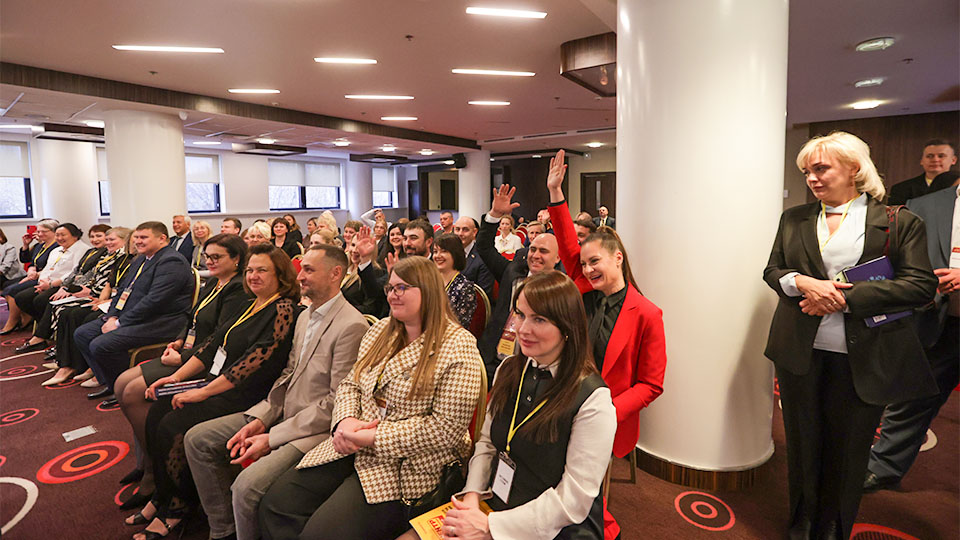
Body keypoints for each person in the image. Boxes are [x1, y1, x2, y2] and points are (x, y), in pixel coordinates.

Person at [763, 131, 938, 540]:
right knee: (802, 444)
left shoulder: (898, 221)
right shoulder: (794, 218)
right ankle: (802, 524)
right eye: (807, 171)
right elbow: (773, 270)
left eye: (821, 168)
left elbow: (920, 286)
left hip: (863, 355)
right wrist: (802, 282)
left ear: (854, 168)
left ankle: (833, 528)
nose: (812, 178)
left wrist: (843, 298)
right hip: (800, 350)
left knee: (848, 449)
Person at [258, 256, 484, 540]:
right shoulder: (381, 330)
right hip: (353, 442)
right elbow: (350, 384)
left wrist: (371, 436)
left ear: (428, 290)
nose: (392, 295)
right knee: (277, 504)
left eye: (402, 288)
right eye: (390, 288)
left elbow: (445, 430)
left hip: (407, 466)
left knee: (320, 534)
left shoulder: (458, 345)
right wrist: (345, 421)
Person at [184, 245, 368, 540]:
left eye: (309, 270)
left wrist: (273, 437)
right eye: (301, 269)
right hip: (282, 412)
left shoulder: (352, 325)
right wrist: (262, 417)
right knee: (198, 439)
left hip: (313, 429)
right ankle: (224, 530)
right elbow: (288, 375)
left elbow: (336, 402)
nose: (300, 276)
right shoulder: (305, 316)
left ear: (335, 274)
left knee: (246, 486)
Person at [132, 244, 300, 540]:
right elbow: (212, 346)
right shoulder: (251, 304)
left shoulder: (283, 309)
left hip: (248, 393)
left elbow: (253, 363)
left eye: (262, 270)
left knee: (174, 423)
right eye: (250, 270)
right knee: (158, 410)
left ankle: (178, 507)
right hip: (220, 383)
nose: (253, 276)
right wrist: (175, 377)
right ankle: (162, 495)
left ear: (280, 275)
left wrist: (203, 393)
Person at [546, 150, 666, 539]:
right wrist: (556, 194)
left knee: (581, 486)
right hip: (565, 394)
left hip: (607, 412)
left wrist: (608, 411)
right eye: (584, 264)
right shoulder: (583, 288)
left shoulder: (647, 313)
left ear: (618, 258)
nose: (587, 269)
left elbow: (652, 384)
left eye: (595, 261)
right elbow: (569, 244)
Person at [444, 270, 617, 539]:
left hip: (556, 528)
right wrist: (472, 497)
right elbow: (487, 443)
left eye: (539, 319)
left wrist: (490, 527)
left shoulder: (593, 400)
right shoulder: (509, 370)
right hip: (498, 506)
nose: (522, 329)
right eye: (520, 315)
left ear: (567, 326)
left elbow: (572, 502)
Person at [113, 234, 250, 508]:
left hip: (204, 363)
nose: (210, 262)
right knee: (121, 383)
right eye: (208, 257)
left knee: (133, 392)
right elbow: (191, 319)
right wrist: (177, 341)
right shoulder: (214, 282)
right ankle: (147, 462)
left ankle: (153, 472)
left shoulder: (238, 290)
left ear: (236, 259)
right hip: (185, 352)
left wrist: (183, 356)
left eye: (217, 257)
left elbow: (220, 337)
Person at [865, 173, 960, 493]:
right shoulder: (923, 206)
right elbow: (900, 261)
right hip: (939, 322)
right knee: (912, 400)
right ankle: (883, 467)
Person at [74, 221, 195, 405]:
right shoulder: (140, 259)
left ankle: (123, 388)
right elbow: (122, 291)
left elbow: (154, 301)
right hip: (133, 316)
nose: (137, 241)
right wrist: (112, 316)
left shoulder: (172, 261)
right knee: (82, 334)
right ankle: (110, 381)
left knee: (101, 345)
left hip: (160, 322)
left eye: (143, 237)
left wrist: (119, 323)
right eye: (136, 237)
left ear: (162, 238)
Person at [477, 185, 561, 381]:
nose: (536, 255)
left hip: (535, 368)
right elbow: (484, 248)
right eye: (533, 249)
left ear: (557, 258)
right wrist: (495, 215)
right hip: (494, 358)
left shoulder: (560, 289)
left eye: (543, 251)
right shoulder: (512, 272)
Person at [52, 229, 134, 387]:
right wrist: (101, 301)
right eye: (107, 239)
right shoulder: (119, 258)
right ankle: (67, 363)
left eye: (112, 239)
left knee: (81, 316)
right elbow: (109, 283)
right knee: (67, 313)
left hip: (117, 303)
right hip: (107, 299)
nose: (108, 242)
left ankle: (89, 366)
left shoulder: (135, 261)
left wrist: (105, 302)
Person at [17, 224, 109, 356]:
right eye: (92, 236)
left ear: (75, 236)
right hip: (64, 284)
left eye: (99, 236)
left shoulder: (93, 251)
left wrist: (66, 288)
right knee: (24, 297)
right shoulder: (91, 252)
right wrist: (52, 284)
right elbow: (76, 271)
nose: (94, 239)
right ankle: (48, 335)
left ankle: (47, 338)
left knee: (49, 303)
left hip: (81, 288)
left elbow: (87, 276)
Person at [11, 223, 91, 341]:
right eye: (57, 235)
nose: (59, 238)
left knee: (40, 300)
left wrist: (50, 285)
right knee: (21, 298)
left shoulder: (82, 249)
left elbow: (74, 272)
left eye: (63, 235)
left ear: (75, 236)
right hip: (47, 283)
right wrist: (42, 283)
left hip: (63, 284)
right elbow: (47, 269)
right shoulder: (56, 250)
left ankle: (44, 333)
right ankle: (46, 327)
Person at [1, 218, 59, 335]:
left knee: (12, 291)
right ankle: (24, 316)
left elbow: (52, 267)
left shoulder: (56, 247)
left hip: (44, 277)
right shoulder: (40, 246)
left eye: (43, 231)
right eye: (38, 231)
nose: (39, 234)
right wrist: (26, 246)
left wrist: (35, 274)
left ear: (53, 232)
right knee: (7, 287)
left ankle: (14, 321)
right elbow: (27, 260)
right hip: (34, 275)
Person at [888, 139, 957, 205]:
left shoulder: (958, 186)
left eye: (941, 156)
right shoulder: (901, 189)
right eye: (929, 156)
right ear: (921, 161)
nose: (935, 160)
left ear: (953, 160)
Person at [341, 227, 388, 317]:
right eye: (353, 245)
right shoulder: (344, 268)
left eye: (360, 247)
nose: (355, 250)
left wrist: (341, 309)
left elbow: (371, 308)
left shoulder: (373, 272)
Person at [433, 232, 477, 328]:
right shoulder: (431, 282)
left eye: (444, 251)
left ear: (455, 254)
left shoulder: (465, 287)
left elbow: (460, 325)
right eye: (435, 251)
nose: (438, 256)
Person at [454, 216, 495, 299]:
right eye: (457, 229)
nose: (460, 234)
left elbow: (482, 295)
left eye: (465, 230)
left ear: (474, 232)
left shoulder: (483, 257)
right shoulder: (448, 253)